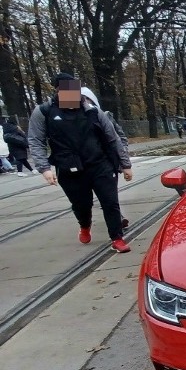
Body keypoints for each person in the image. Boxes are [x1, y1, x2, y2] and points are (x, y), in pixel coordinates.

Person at [28, 73, 134, 253]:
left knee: (110, 201)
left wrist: (125, 164)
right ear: (57, 90)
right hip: (69, 167)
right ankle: (85, 224)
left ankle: (117, 238)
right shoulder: (44, 112)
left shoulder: (91, 110)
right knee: (81, 204)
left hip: (100, 164)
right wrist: (44, 168)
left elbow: (112, 137)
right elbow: (35, 140)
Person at [81, 86, 130, 228]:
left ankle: (117, 218)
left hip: (107, 162)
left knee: (109, 194)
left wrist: (122, 155)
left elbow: (120, 136)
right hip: (84, 164)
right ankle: (85, 221)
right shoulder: (73, 118)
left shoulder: (104, 115)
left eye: (86, 99)